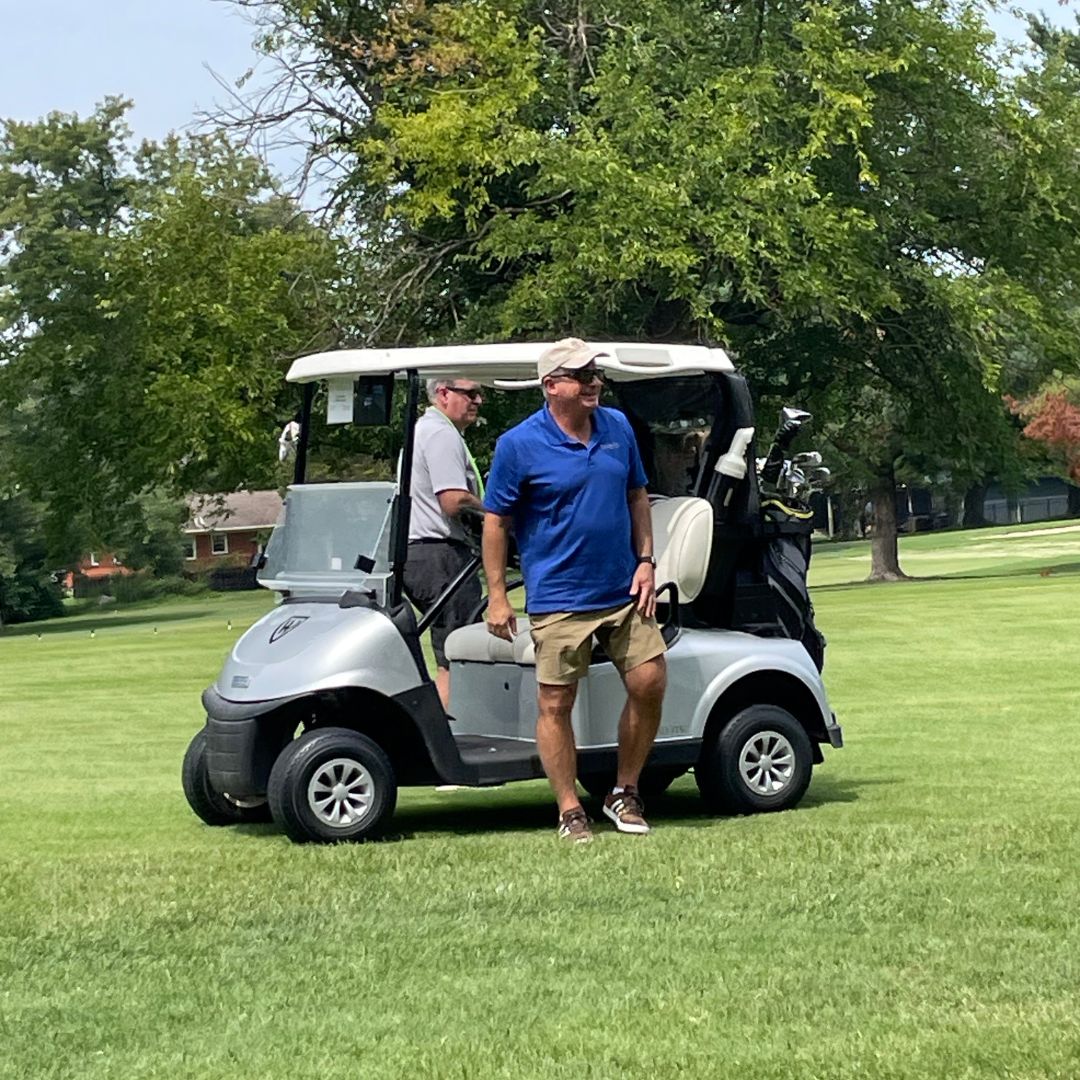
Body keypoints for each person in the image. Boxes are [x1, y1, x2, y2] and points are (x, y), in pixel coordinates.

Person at [482, 339, 668, 843]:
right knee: (556, 703)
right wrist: (498, 595)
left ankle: (623, 791)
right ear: (551, 386)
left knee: (650, 682)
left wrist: (646, 560)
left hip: (623, 590)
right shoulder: (518, 444)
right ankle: (569, 808)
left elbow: (637, 495)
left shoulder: (617, 427)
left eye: (595, 373)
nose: (593, 382)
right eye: (580, 375)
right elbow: (496, 522)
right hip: (559, 596)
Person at [403, 376, 485, 711]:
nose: (478, 400)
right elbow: (453, 500)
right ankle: (452, 744)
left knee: (452, 651)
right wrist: (501, 513)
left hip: (422, 555)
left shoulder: (424, 429)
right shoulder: (440, 433)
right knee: (459, 656)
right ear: (444, 394)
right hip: (441, 556)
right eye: (471, 393)